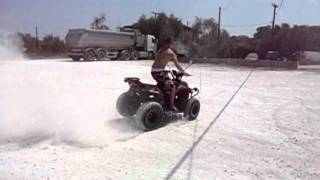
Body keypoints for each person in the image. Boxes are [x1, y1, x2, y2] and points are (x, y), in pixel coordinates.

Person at [151, 36, 190, 112]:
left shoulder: (160, 50)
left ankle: (164, 98)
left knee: (164, 83)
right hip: (159, 72)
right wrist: (184, 72)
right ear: (171, 43)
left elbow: (158, 60)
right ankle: (172, 106)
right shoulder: (171, 53)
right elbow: (178, 65)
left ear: (165, 42)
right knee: (172, 86)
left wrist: (164, 65)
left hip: (153, 72)